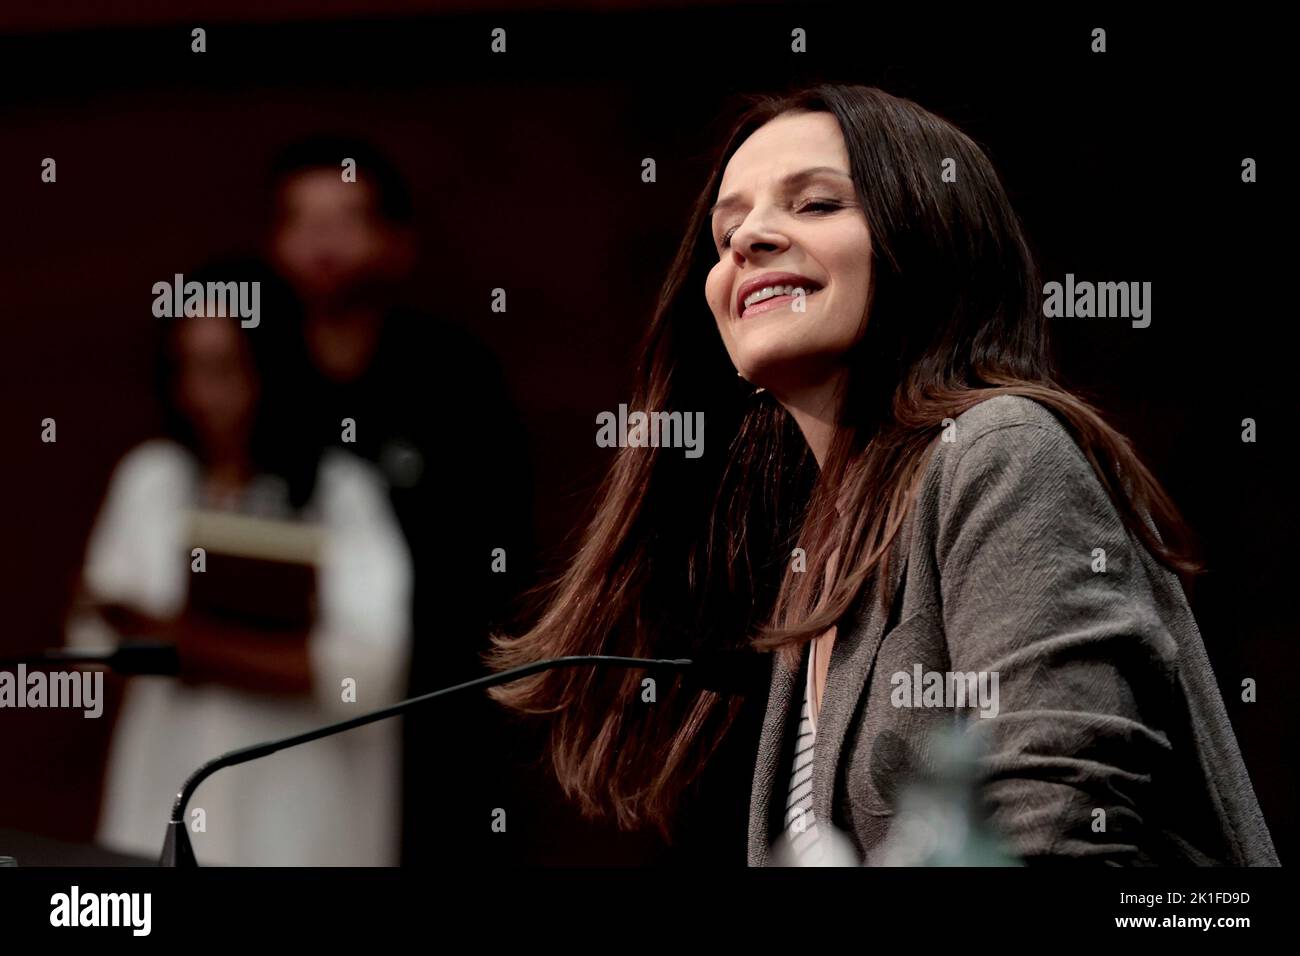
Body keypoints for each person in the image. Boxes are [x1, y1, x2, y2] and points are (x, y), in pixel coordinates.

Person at [484, 85, 1280, 866]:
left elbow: (1054, 831)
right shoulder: (823, 550)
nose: (747, 240)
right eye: (727, 231)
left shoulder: (1003, 448)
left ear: (928, 236)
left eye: (817, 205)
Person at [67, 260, 413, 866]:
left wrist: (188, 643)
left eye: (224, 370)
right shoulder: (152, 481)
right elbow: (90, 646)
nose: (205, 395)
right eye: (189, 370)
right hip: (159, 813)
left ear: (270, 368)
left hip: (297, 824)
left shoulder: (339, 494)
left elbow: (371, 670)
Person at [265, 137, 536, 865]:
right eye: (302, 219)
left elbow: (501, 557)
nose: (322, 243)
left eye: (346, 218)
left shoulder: (453, 378)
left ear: (397, 243)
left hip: (435, 711)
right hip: (284, 715)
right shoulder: (259, 382)